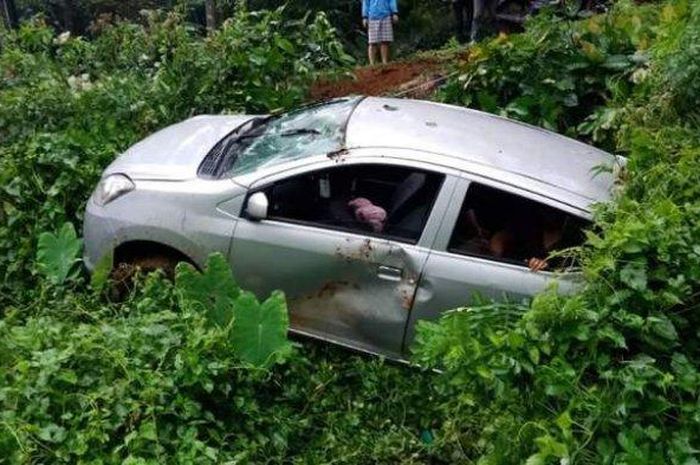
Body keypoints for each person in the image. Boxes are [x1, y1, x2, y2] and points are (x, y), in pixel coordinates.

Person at [362, 0, 399, 65]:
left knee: (385, 41)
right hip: (372, 17)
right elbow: (365, 4)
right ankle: (371, 64)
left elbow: (392, 1)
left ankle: (384, 62)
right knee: (372, 42)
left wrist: (394, 13)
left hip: (385, 16)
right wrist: (365, 17)